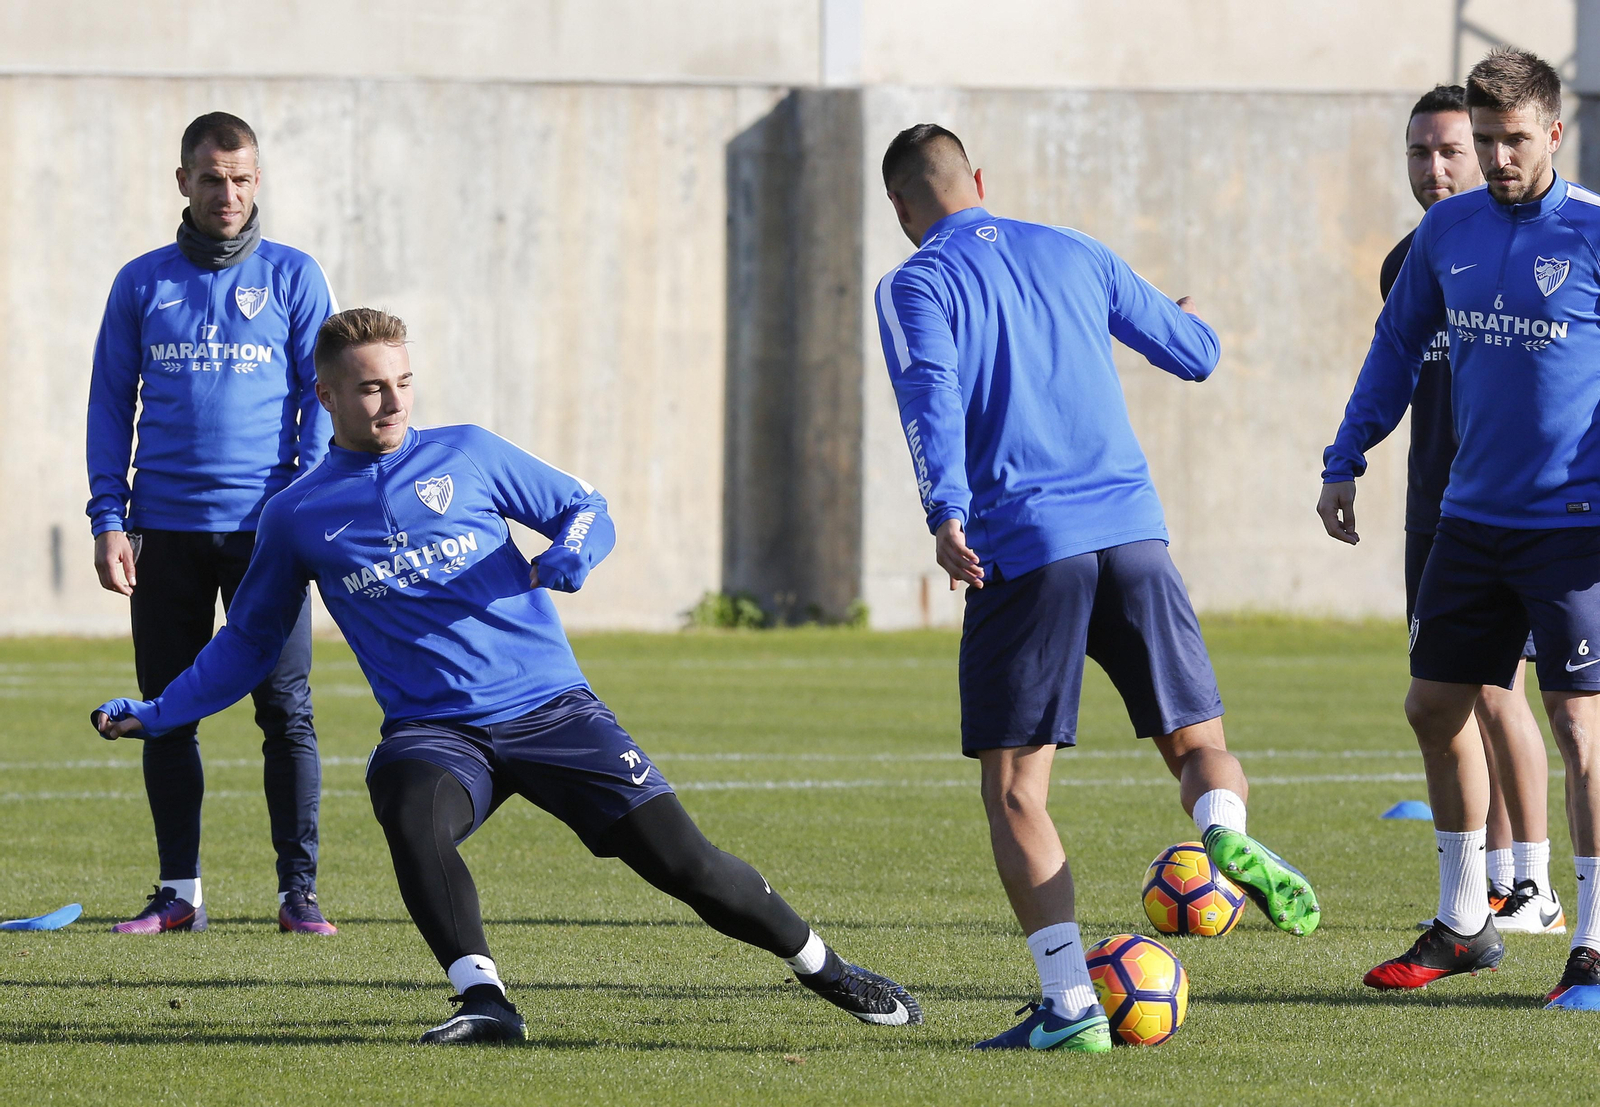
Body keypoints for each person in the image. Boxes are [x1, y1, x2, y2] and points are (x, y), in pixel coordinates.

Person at [92, 308, 923, 1044]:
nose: (392, 401)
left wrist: (572, 553)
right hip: (436, 732)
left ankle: (826, 966)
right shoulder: (296, 514)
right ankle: (484, 1000)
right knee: (408, 802)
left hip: (554, 711)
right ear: (326, 395)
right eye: (371, 387)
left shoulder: (469, 453)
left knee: (689, 866)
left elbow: (585, 506)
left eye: (403, 382)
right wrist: (161, 710)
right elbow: (247, 642)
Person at [873, 124, 1320, 1053]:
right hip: (1136, 535)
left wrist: (945, 512)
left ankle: (1070, 1003)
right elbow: (1196, 352)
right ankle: (1223, 827)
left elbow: (930, 393)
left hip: (1029, 546)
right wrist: (1188, 318)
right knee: (1199, 746)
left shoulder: (917, 282)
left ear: (901, 208)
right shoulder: (1074, 249)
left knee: (1016, 791)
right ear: (979, 179)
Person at [1320, 48, 1600, 1002]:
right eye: (1484, 140)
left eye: (1513, 139)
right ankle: (1466, 921)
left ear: (1554, 132)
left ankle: (1592, 938)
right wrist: (1345, 456)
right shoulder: (1447, 232)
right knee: (1433, 707)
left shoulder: (1594, 231)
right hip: (1470, 518)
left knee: (1579, 725)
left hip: (1572, 527)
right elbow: (1394, 350)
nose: (1496, 158)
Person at [86, 112, 337, 935]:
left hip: (267, 536)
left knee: (285, 712)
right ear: (183, 182)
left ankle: (298, 892)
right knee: (166, 710)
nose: (227, 194)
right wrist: (108, 515)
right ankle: (179, 894)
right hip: (163, 530)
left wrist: (301, 507)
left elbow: (321, 402)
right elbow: (109, 403)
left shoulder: (295, 276)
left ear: (256, 181)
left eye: (241, 179)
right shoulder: (141, 282)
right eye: (211, 179)